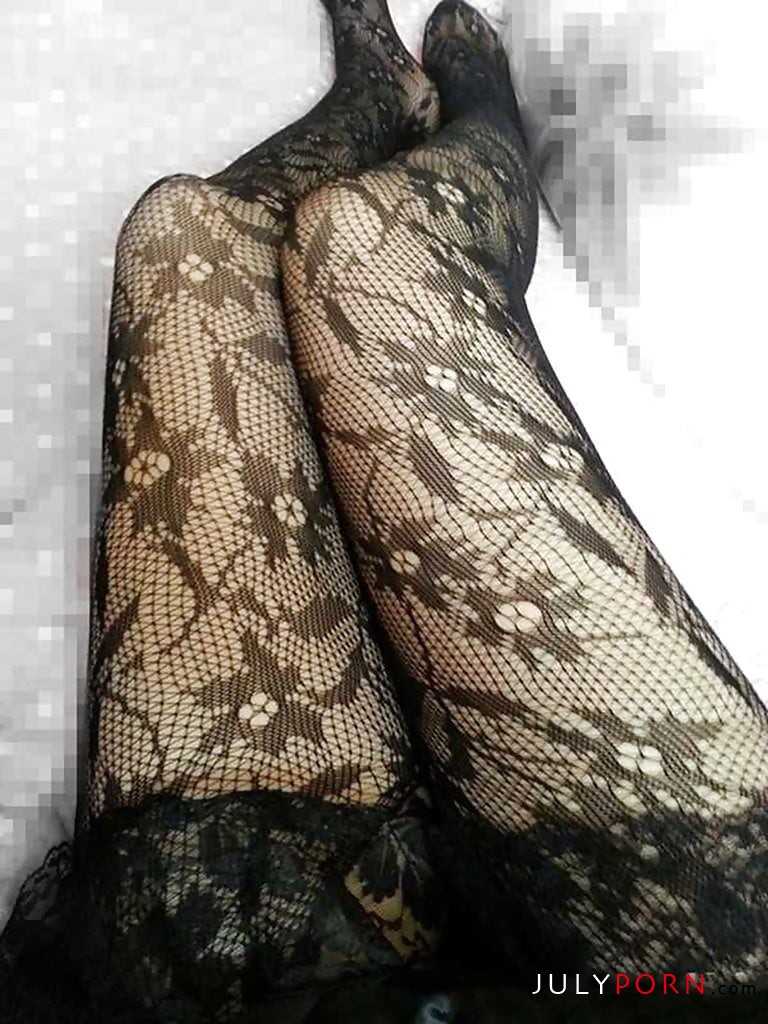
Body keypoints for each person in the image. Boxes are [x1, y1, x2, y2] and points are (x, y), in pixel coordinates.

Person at [1, 2, 766, 1020]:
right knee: (364, 242)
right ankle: (471, 110)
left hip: (246, 980)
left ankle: (380, 94)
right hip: (659, 979)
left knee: (178, 228)